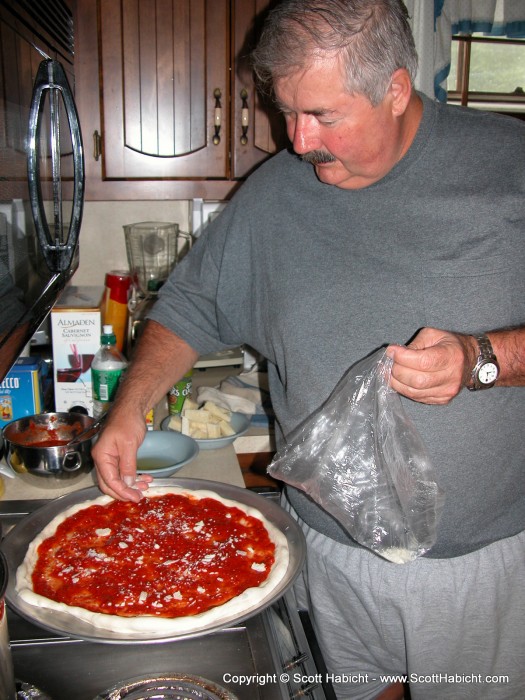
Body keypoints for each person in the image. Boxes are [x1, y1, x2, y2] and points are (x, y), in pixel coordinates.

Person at [92, 1, 525, 697]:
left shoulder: (509, 168)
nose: (297, 140)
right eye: (285, 111)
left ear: (393, 89)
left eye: (323, 115)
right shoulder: (273, 195)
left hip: (473, 568)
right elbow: (192, 305)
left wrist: (483, 359)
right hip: (324, 549)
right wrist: (130, 404)